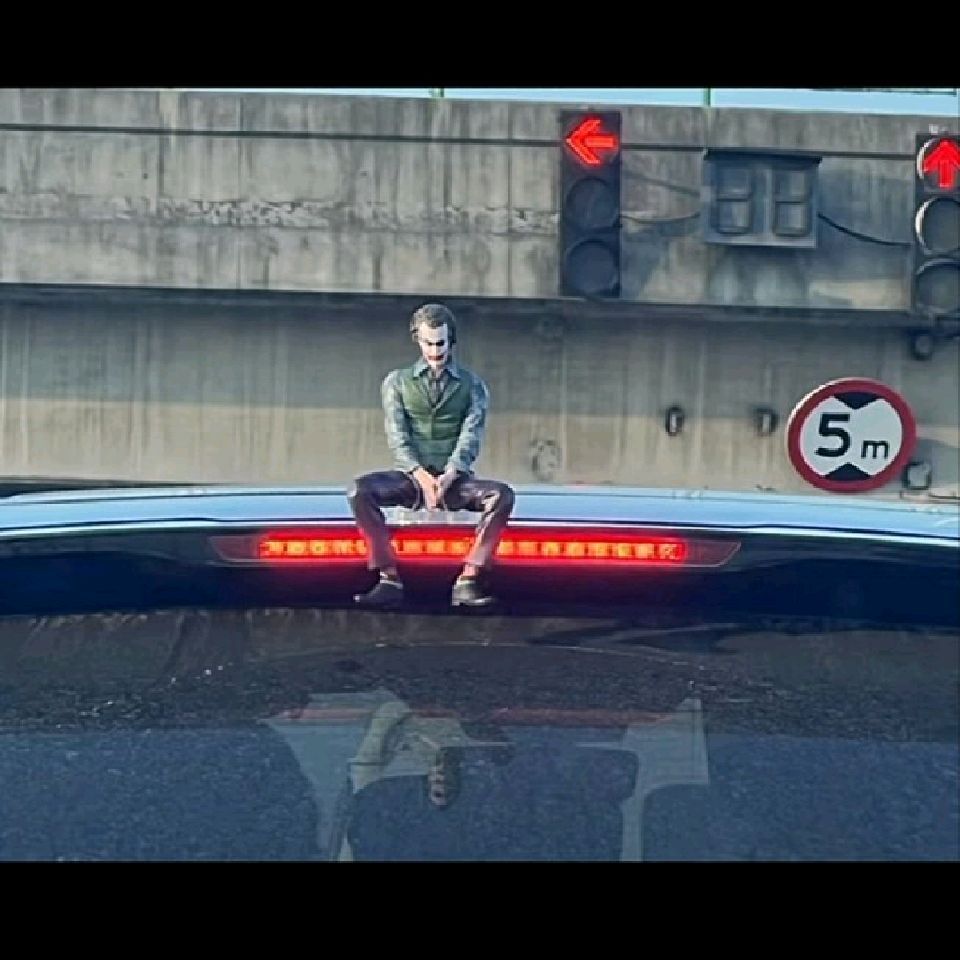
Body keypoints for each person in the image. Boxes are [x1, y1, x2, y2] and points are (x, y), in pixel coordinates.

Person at [348, 303, 515, 609]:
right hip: (410, 479)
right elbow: (397, 435)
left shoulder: (472, 385)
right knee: (359, 490)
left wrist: (450, 474)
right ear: (418, 340)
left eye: (441, 343)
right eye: (429, 343)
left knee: (501, 495)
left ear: (452, 341)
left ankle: (469, 577)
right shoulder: (397, 382)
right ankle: (388, 576)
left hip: (456, 481)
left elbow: (471, 435)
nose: (435, 351)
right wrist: (420, 476)